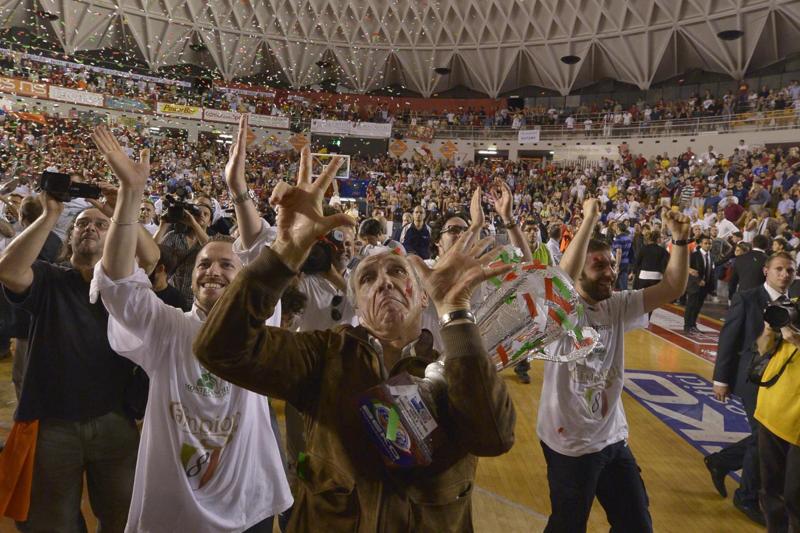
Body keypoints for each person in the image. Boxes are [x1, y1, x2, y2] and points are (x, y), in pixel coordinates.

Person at [193, 147, 516, 532]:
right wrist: (283, 253)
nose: (385, 282)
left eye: (397, 272)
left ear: (422, 295)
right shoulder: (325, 355)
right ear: (356, 305)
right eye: (368, 278)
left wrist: (457, 312)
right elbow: (220, 348)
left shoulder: (457, 367)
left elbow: (494, 437)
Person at [89, 118, 292, 532]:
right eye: (204, 264)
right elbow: (118, 285)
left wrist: (237, 189)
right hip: (176, 511)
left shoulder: (256, 322)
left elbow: (261, 254)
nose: (213, 271)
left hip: (245, 505)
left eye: (225, 264)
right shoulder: (169, 329)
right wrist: (130, 195)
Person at [0, 184, 159, 530]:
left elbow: (151, 258)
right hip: (54, 424)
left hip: (115, 420)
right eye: (82, 224)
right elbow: (10, 270)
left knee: (123, 516)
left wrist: (123, 210)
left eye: (101, 225)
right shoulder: (50, 278)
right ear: (70, 237)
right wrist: (50, 214)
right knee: (53, 522)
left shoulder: (122, 287)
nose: (89, 227)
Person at [537, 198, 691, 533]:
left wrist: (680, 240)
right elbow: (563, 277)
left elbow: (673, 287)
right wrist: (589, 219)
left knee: (637, 524)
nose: (610, 272)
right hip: (571, 444)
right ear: (580, 271)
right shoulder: (560, 311)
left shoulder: (618, 305)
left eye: (611, 264)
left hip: (612, 438)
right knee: (568, 525)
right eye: (599, 266)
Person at [707, 252, 796, 525]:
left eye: (790, 270)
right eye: (779, 269)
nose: (784, 275)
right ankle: (746, 496)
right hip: (751, 379)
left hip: (780, 381)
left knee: (769, 436)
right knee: (763, 437)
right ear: (766, 271)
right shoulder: (747, 298)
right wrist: (720, 378)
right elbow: (728, 338)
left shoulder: (794, 303)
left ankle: (722, 461)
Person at [752, 319, 800, 532]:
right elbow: (763, 348)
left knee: (794, 495)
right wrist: (770, 328)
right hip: (773, 409)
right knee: (771, 490)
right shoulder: (793, 307)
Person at [684, 236, 714, 333]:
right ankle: (687, 326)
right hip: (694, 285)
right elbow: (688, 269)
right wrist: (698, 280)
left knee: (698, 307)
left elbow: (710, 270)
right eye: (706, 243)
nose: (708, 245)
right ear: (700, 244)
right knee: (691, 305)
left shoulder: (711, 255)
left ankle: (693, 325)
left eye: (709, 243)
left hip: (705, 286)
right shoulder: (694, 255)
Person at [729, 233, 770, 298]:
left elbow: (733, 281)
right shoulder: (770, 261)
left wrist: (730, 297)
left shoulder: (740, 258)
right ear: (767, 246)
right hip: (760, 298)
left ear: (752, 244)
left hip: (742, 297)